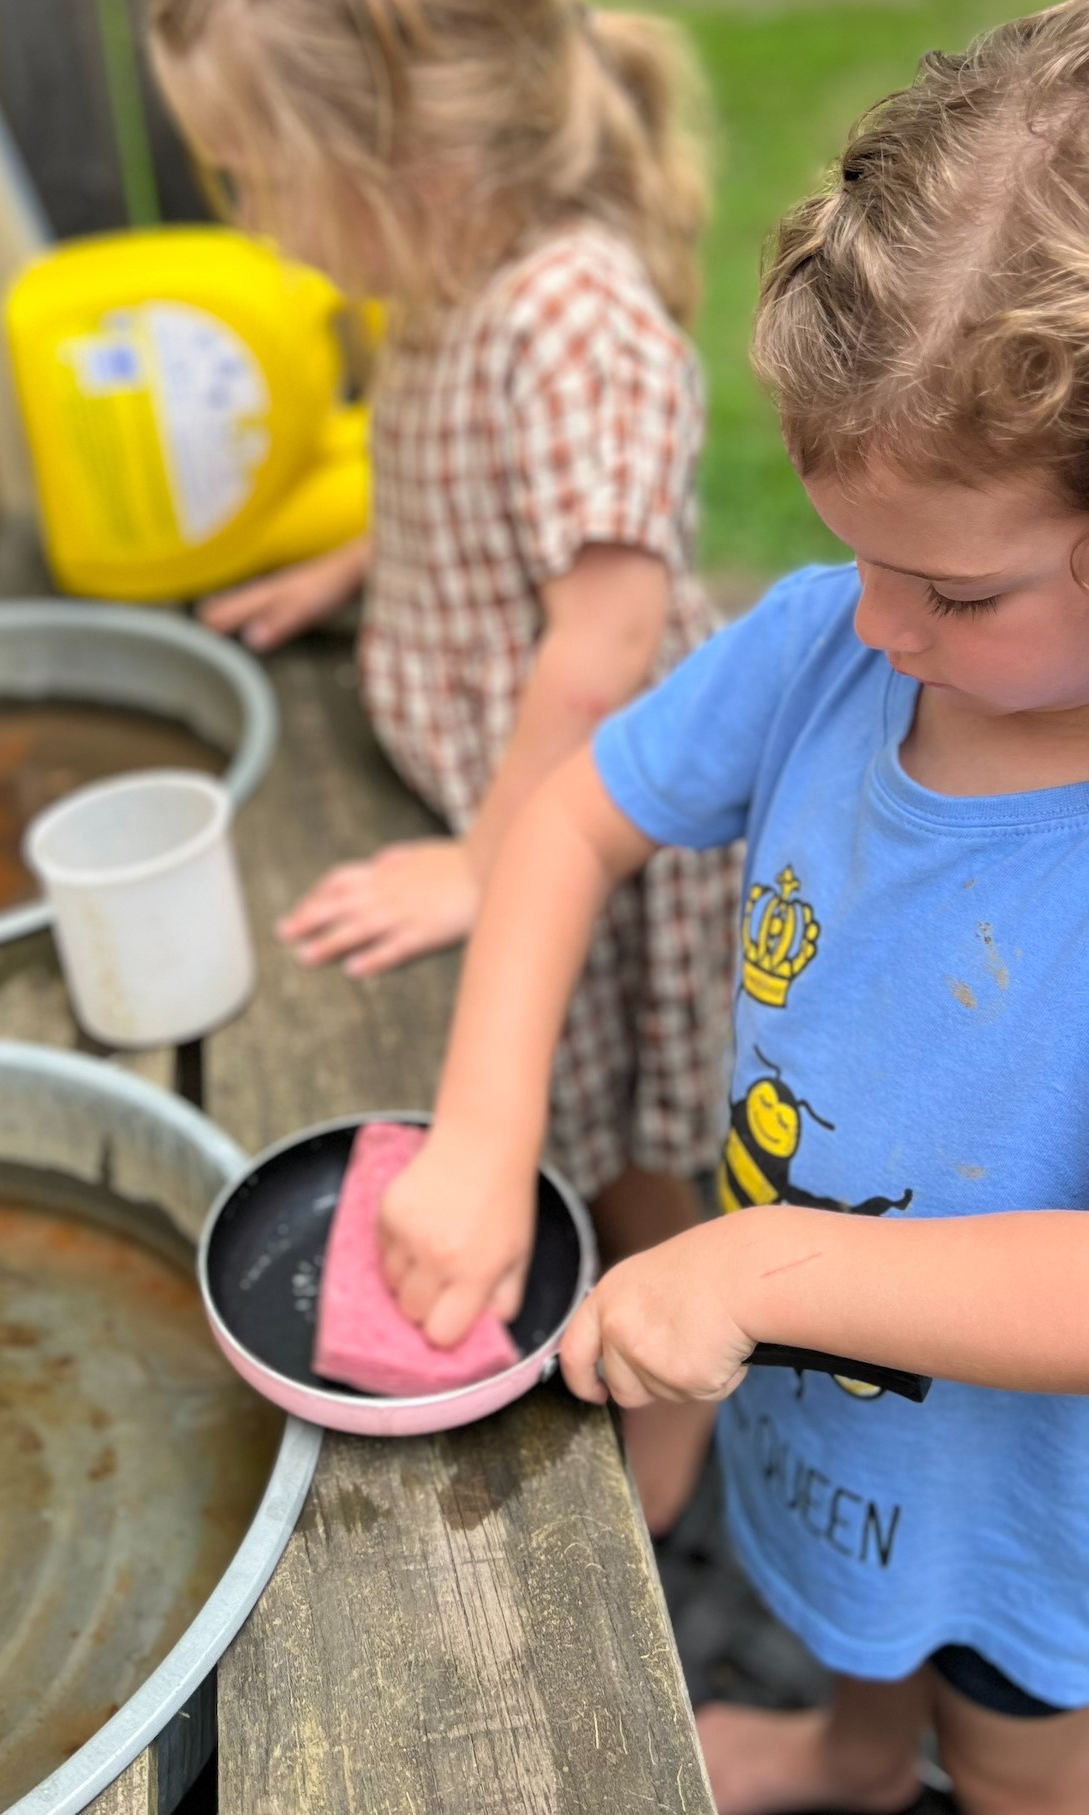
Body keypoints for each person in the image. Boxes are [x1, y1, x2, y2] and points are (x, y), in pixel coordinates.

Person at [375, 2, 1089, 1810]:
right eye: (856, 556)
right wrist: (478, 1132)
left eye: (953, 591)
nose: (870, 625)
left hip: (1041, 1502)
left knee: (1012, 1760)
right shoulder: (834, 660)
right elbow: (561, 830)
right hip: (813, 1401)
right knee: (851, 1624)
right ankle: (850, 1759)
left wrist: (761, 1259)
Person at [150, 0, 740, 1527]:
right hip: (496, 787)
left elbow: (601, 644)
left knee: (620, 1150)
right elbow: (490, 498)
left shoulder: (572, 317)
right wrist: (356, 565)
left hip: (582, 834)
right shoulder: (454, 275)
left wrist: (487, 861)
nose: (259, 228)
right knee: (564, 1122)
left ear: (408, 152)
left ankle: (673, 1405)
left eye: (255, 175)